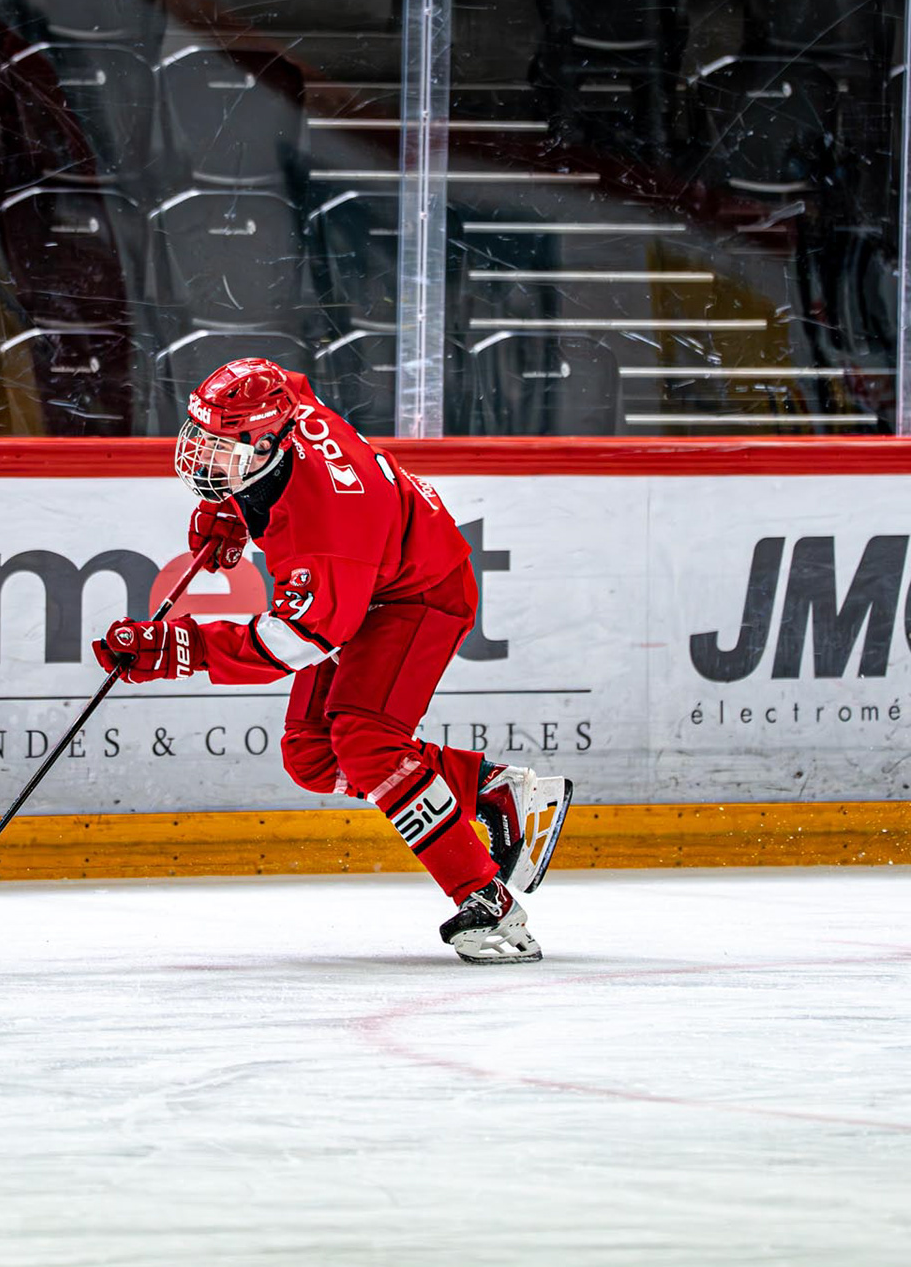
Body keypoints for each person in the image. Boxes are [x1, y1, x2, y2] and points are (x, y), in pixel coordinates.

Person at [94, 359, 571, 963]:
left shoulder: (329, 524)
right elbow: (284, 379)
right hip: (372, 577)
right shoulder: (283, 405)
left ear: (266, 442)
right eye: (202, 438)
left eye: (221, 448)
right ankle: (490, 789)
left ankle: (488, 902)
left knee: (368, 743)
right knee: (314, 756)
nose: (202, 457)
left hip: (419, 594)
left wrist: (178, 648)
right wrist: (234, 507)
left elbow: (293, 642)